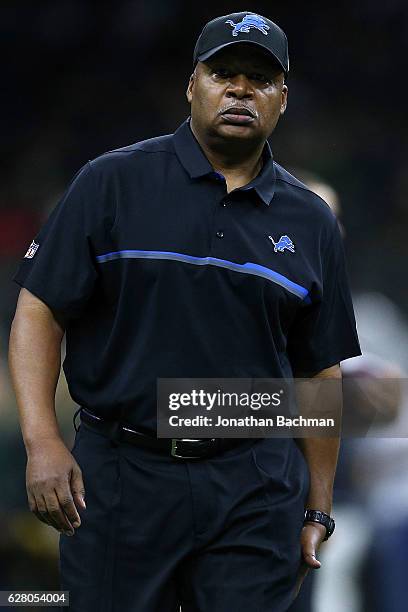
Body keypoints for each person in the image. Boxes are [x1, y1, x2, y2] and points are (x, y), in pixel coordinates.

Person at [8, 11, 361, 612]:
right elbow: (39, 310)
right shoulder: (111, 182)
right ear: (191, 85)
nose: (241, 89)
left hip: (255, 480)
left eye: (260, 78)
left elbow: (318, 372)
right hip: (123, 471)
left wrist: (318, 507)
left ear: (282, 98)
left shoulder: (311, 221)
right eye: (224, 72)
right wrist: (41, 441)